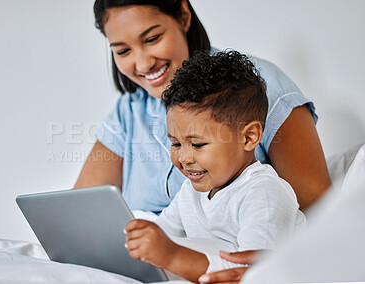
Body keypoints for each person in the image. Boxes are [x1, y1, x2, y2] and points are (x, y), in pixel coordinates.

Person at [74, 0, 331, 281]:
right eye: (122, 51)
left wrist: (170, 255)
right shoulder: (131, 113)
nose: (143, 63)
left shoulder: (255, 93)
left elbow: (259, 262)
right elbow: (81, 216)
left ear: (184, 15)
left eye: (153, 38)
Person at [124, 50, 306, 283]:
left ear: (249, 137)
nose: (185, 157)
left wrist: (171, 256)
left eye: (198, 144)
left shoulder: (265, 194)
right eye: (176, 143)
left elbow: (251, 274)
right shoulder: (190, 192)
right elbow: (163, 235)